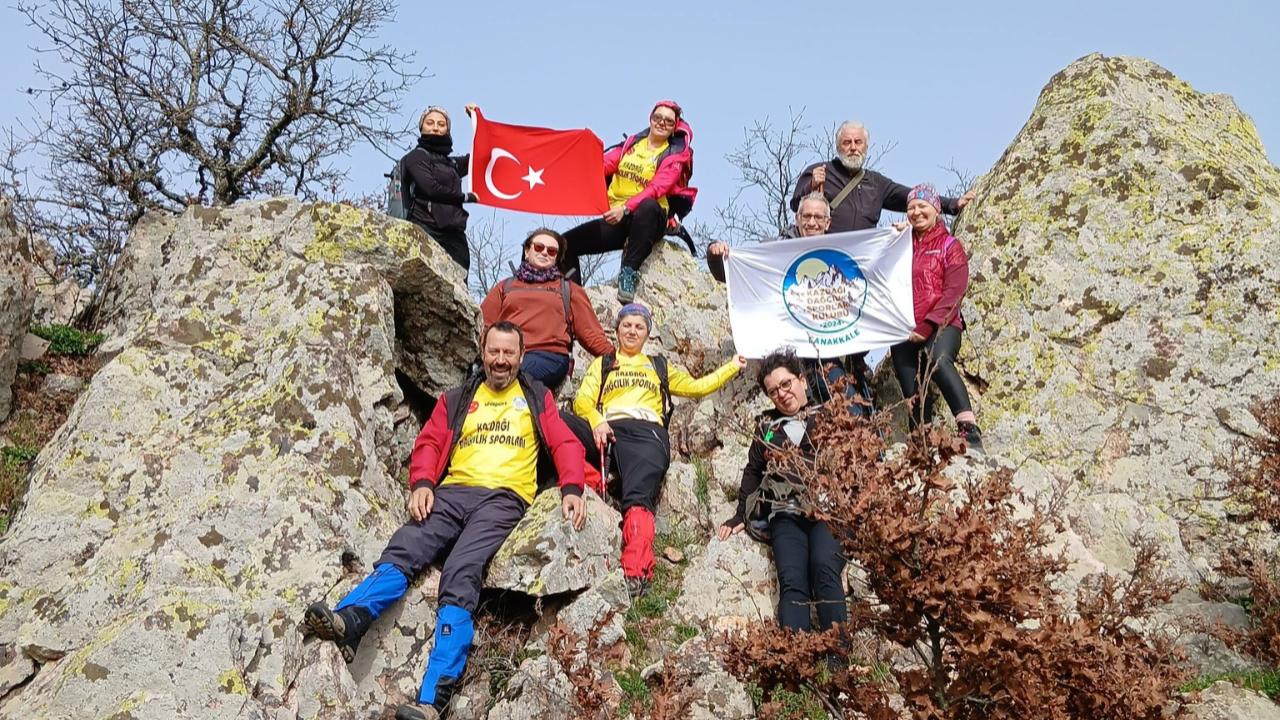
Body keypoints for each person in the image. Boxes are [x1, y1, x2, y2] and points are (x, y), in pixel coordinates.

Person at [303, 321, 588, 720]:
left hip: (504, 498)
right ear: (483, 353)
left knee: (461, 569)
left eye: (509, 353)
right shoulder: (457, 398)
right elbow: (431, 442)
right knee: (407, 545)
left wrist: (573, 486)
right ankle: (350, 619)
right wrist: (421, 482)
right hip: (452, 492)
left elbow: (563, 441)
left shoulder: (535, 396)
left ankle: (433, 698)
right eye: (494, 352)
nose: (501, 360)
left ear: (522, 358)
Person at [568, 303, 744, 595]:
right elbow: (582, 402)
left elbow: (698, 387)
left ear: (647, 333)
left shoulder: (657, 366)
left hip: (647, 433)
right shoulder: (604, 364)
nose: (632, 331)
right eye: (627, 325)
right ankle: (599, 479)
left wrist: (733, 366)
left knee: (638, 497)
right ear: (617, 330)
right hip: (608, 428)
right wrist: (597, 420)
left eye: (639, 326)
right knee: (559, 423)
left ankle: (635, 572)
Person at [717, 348, 847, 633]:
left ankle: (836, 658)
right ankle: (796, 659)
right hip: (785, 512)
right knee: (792, 579)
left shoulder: (831, 416)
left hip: (829, 512)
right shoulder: (766, 426)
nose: (782, 394)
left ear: (802, 380)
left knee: (824, 567)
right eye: (773, 391)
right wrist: (740, 515)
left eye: (786, 384)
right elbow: (753, 470)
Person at [707, 194, 874, 414]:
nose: (811, 222)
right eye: (806, 216)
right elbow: (732, 274)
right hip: (785, 353)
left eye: (818, 217)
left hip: (825, 351)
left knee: (851, 410)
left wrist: (898, 236)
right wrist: (716, 254)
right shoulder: (775, 251)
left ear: (828, 223)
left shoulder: (841, 254)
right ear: (797, 218)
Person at [561, 100, 696, 303]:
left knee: (649, 206)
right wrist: (572, 166)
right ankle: (573, 299)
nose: (661, 123)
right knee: (565, 244)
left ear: (674, 127)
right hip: (619, 219)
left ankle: (629, 271)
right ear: (650, 119)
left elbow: (657, 188)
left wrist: (625, 208)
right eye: (657, 117)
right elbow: (604, 165)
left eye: (668, 121)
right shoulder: (631, 145)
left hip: (649, 220)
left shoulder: (675, 156)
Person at [890, 185, 984, 452]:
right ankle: (921, 436)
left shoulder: (949, 246)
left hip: (943, 324)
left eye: (922, 206)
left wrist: (928, 324)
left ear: (936, 209)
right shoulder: (901, 246)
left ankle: (968, 428)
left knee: (937, 360)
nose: (916, 212)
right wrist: (891, 238)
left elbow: (955, 291)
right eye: (911, 207)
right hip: (906, 327)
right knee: (908, 379)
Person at [480, 228, 615, 390]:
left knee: (515, 377)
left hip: (548, 355)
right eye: (539, 247)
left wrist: (617, 357)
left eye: (551, 251)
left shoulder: (568, 289)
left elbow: (590, 333)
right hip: (506, 353)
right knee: (475, 385)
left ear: (557, 258)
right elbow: (484, 325)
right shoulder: (505, 287)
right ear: (527, 251)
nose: (544, 253)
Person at [790, 120, 975, 233]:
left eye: (858, 142)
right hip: (826, 256)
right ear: (838, 147)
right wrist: (811, 186)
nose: (853, 147)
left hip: (863, 265)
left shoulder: (876, 183)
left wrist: (953, 204)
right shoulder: (820, 171)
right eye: (847, 142)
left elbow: (912, 197)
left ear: (866, 147)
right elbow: (795, 205)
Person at [402, 104, 479, 272]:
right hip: (426, 227)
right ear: (421, 127)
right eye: (430, 123)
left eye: (441, 124)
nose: (435, 128)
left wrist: (476, 119)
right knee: (425, 278)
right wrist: (465, 197)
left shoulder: (451, 163)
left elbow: (479, 159)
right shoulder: (416, 157)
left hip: (454, 232)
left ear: (447, 130)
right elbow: (431, 188)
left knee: (459, 283)